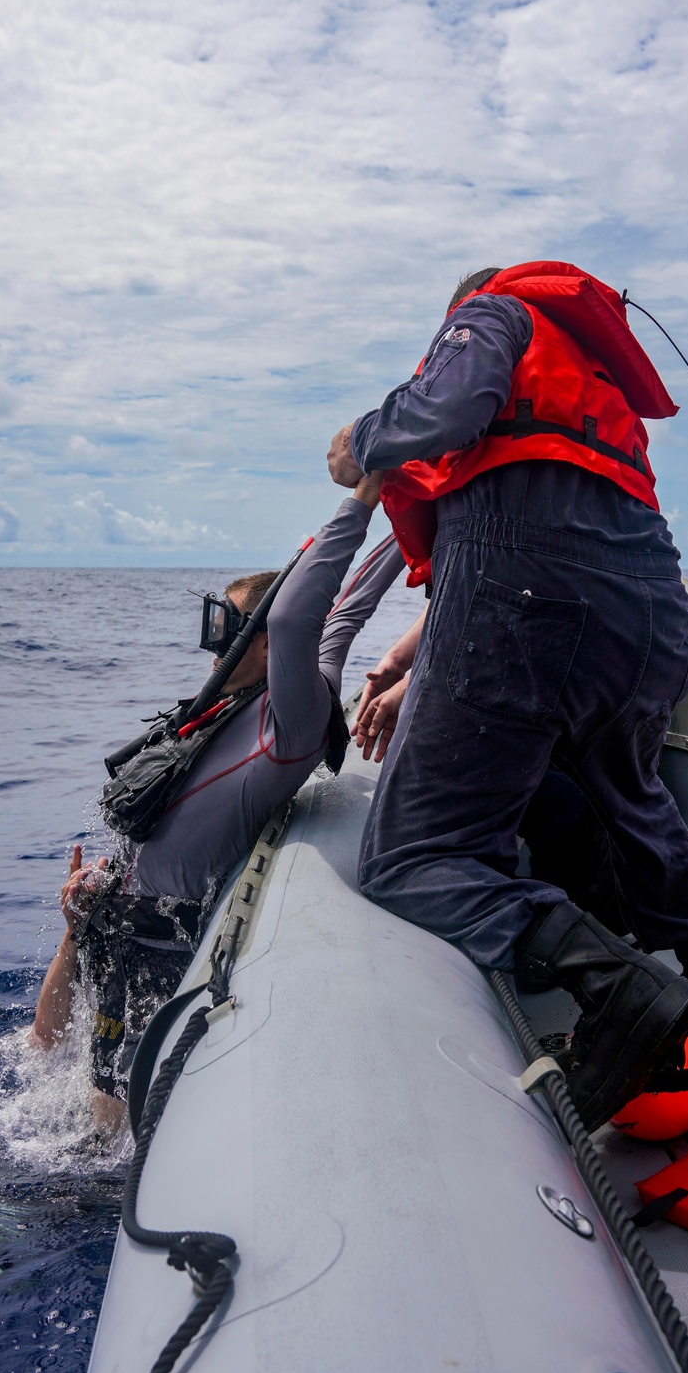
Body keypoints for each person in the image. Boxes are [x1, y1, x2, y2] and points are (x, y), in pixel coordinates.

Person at [328, 261, 688, 1130]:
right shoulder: (585, 379)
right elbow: (558, 542)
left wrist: (362, 440)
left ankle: (624, 990)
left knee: (410, 859)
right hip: (653, 610)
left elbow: (445, 413)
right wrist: (420, 671)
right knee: (631, 790)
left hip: (526, 601)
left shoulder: (491, 313)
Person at [30, 475, 405, 1131]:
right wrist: (411, 515)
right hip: (117, 899)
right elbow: (352, 601)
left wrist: (368, 491)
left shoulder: (294, 719)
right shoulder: (242, 703)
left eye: (228, 627)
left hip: (156, 933)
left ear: (265, 644)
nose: (213, 645)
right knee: (41, 1054)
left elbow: (300, 615)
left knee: (101, 1127)